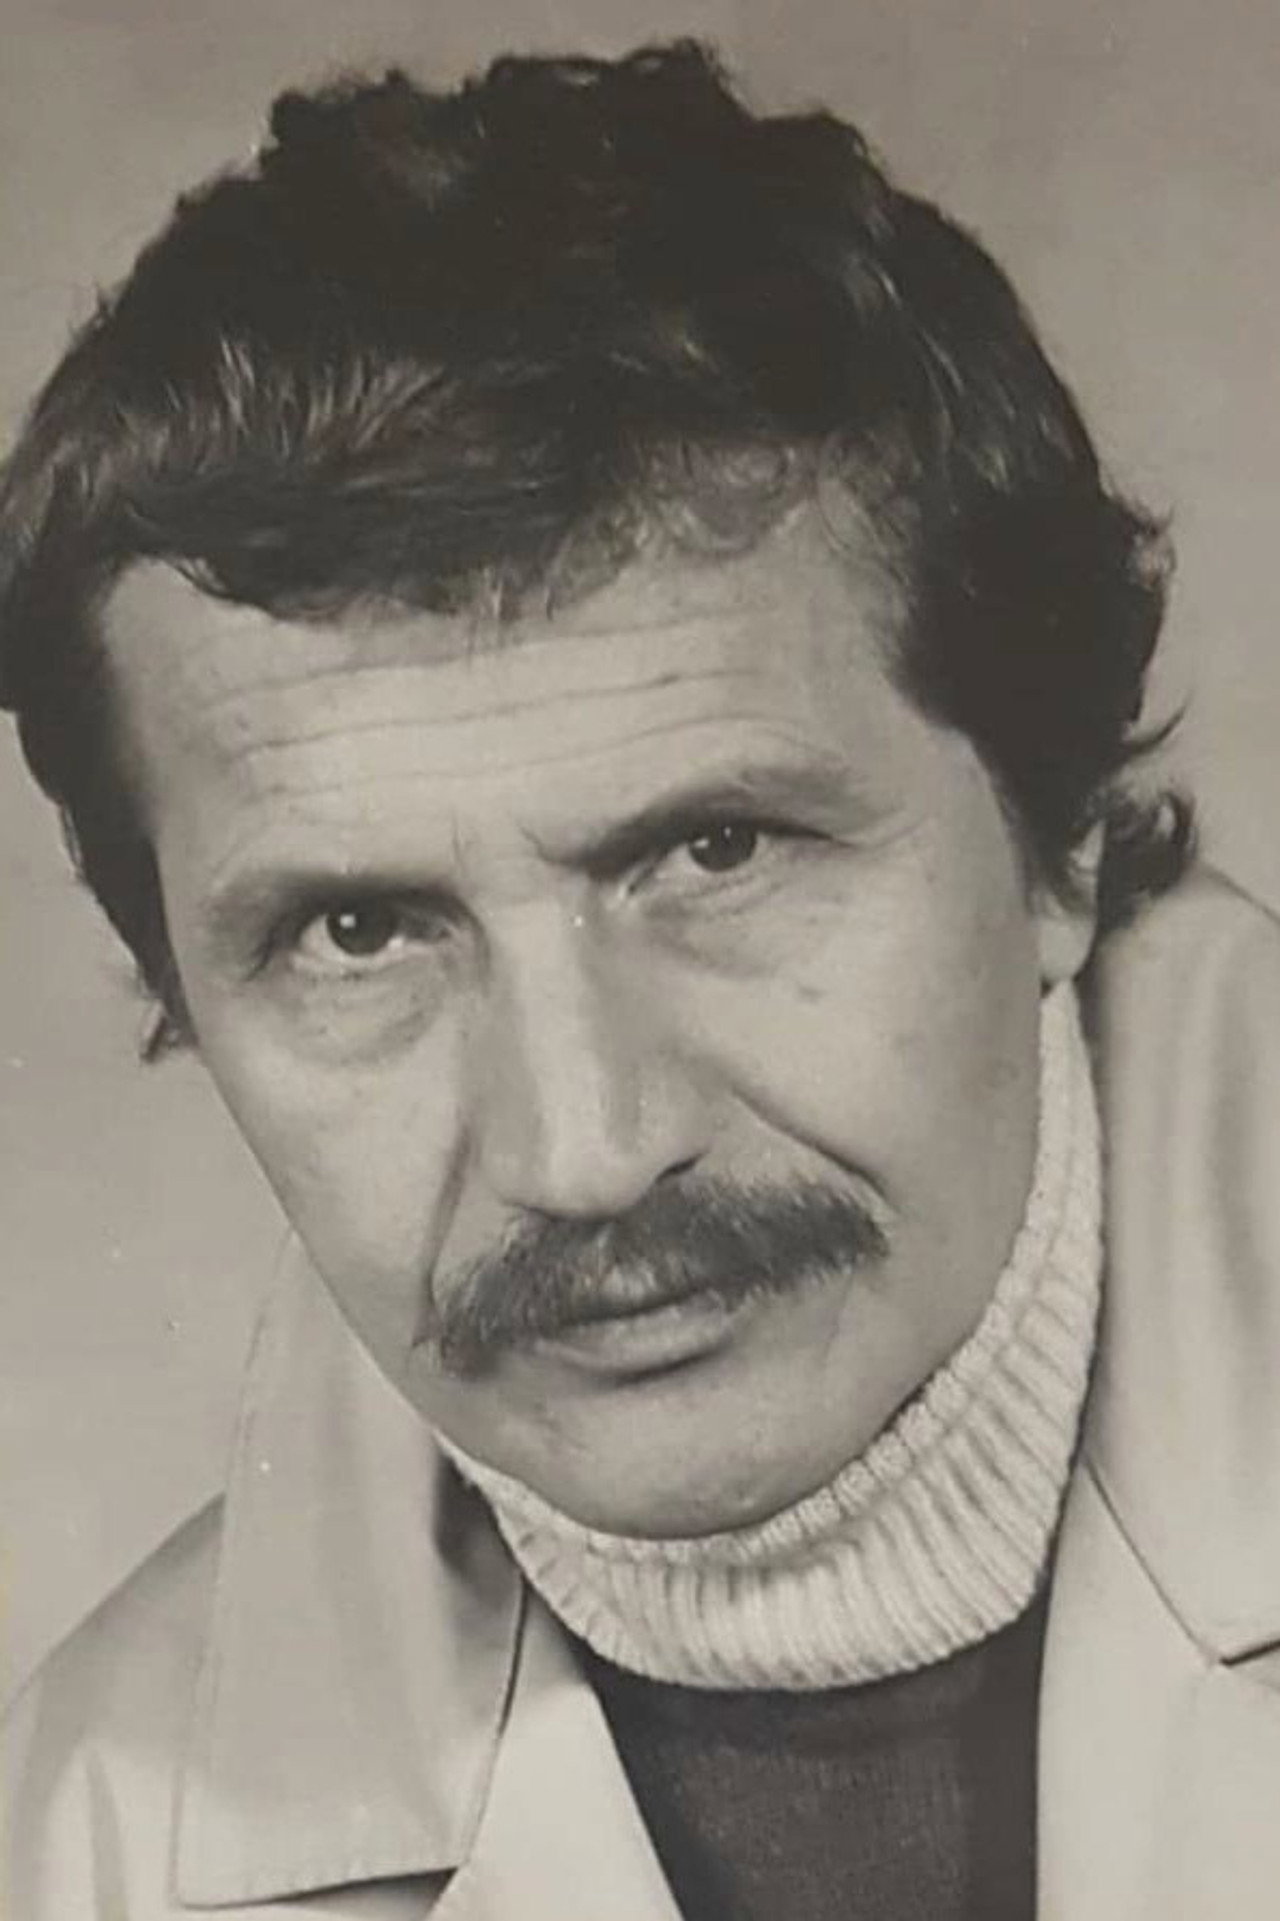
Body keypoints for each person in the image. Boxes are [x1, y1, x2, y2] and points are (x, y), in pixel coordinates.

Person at [1, 37, 1278, 1921]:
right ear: (183, 986)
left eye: (718, 849)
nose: (585, 1149)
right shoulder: (84, 1842)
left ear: (1060, 843)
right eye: (361, 932)